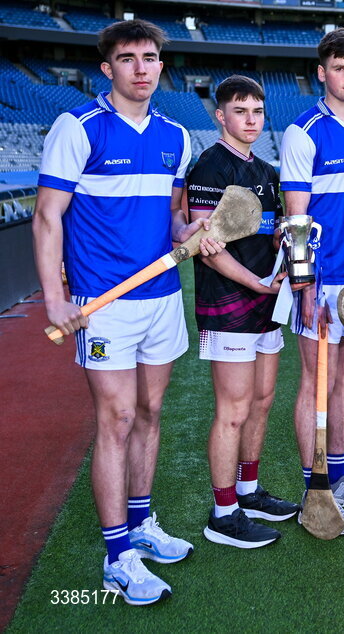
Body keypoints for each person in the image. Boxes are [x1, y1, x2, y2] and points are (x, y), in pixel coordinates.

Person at [33, 20, 221, 605]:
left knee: (150, 411)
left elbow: (170, 219)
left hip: (161, 298)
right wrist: (56, 298)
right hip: (102, 306)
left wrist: (188, 229)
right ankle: (118, 557)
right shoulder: (79, 128)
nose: (141, 67)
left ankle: (141, 523)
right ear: (107, 68)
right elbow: (46, 218)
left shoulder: (174, 137)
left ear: (161, 66)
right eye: (127, 58)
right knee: (114, 420)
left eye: (150, 57)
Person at [187, 75, 301, 549]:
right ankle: (223, 512)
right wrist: (256, 283)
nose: (250, 120)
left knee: (260, 401)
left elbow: (268, 233)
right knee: (232, 410)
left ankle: (249, 492)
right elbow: (206, 246)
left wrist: (284, 241)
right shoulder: (210, 167)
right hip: (230, 305)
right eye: (240, 111)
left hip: (267, 304)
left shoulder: (268, 172)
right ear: (221, 116)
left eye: (257, 111)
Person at [279, 27, 344, 531]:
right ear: (322, 73)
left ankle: (339, 477)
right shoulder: (304, 131)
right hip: (321, 283)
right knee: (314, 383)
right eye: (340, 68)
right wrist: (302, 287)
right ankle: (314, 487)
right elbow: (295, 216)